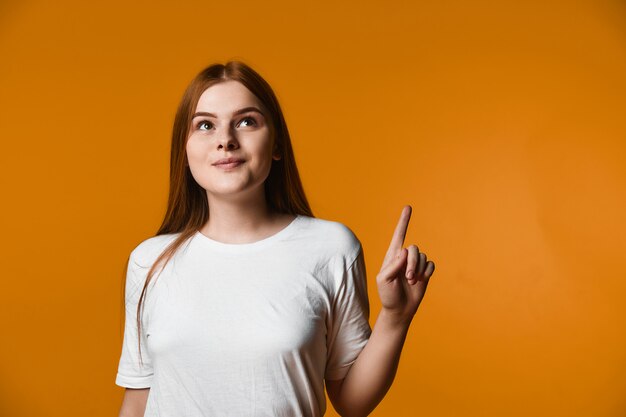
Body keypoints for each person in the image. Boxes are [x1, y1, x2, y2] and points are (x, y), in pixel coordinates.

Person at [115, 61, 435, 417]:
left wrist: (396, 317)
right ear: (185, 152)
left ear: (277, 143)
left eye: (246, 121)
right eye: (205, 125)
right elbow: (138, 401)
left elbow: (351, 402)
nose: (225, 140)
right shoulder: (149, 261)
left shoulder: (331, 248)